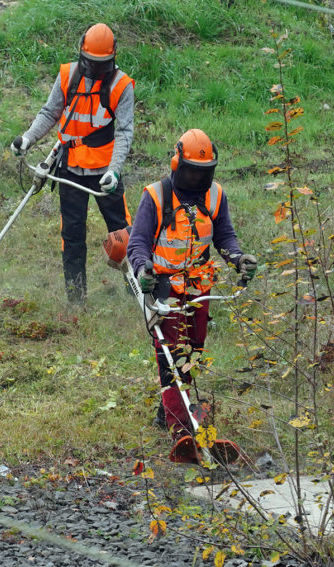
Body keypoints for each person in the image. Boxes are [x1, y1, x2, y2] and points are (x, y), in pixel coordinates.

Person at [126, 129, 258, 463]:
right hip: (163, 289)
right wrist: (143, 270)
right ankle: (181, 430)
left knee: (193, 355)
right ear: (176, 163)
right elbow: (137, 242)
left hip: (200, 289)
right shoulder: (155, 197)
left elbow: (224, 235)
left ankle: (166, 411)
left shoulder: (215, 196)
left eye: (204, 171)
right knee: (171, 358)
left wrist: (238, 258)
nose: (197, 177)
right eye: (191, 170)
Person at [10, 23, 135, 306]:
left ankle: (137, 292)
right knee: (72, 236)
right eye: (90, 63)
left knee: (124, 234)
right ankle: (76, 300)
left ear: (113, 58)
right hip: (69, 171)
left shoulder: (120, 85)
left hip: (105, 173)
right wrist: (27, 139)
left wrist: (114, 171)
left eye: (101, 64)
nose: (95, 69)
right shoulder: (68, 75)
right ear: (82, 54)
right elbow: (50, 112)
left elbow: (124, 133)